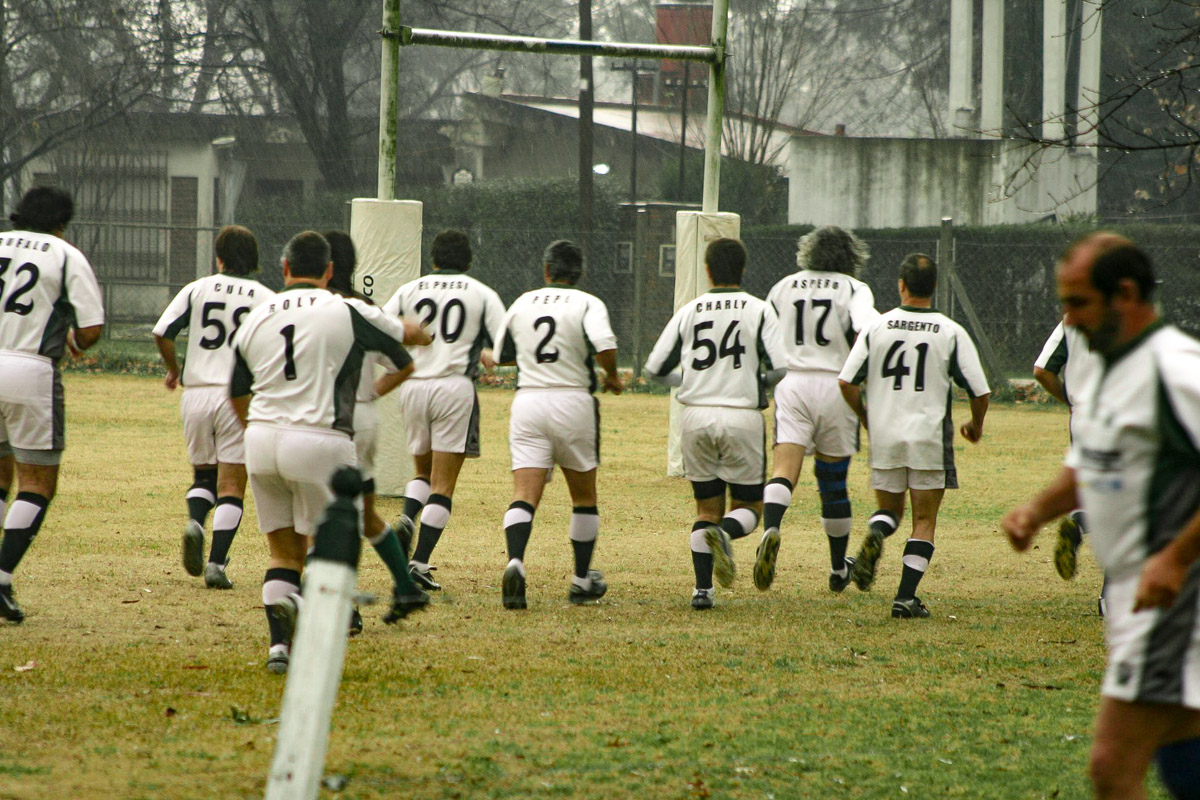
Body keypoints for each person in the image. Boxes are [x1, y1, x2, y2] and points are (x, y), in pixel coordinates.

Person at [1002, 233, 1200, 800]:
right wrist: (1036, 511)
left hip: (1173, 601)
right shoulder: (1112, 372)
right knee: (1186, 763)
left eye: (1079, 302)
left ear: (1127, 294)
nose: (1068, 316)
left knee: (1113, 768)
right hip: (1145, 601)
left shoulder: (1175, 370)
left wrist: (1175, 557)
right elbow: (1089, 467)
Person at [230, 231, 426, 673]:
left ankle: (279, 647)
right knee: (328, 543)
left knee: (282, 554)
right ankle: (313, 617)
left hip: (260, 440)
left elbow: (237, 390)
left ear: (283, 269)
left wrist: (254, 430)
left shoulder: (256, 313)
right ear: (330, 271)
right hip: (321, 438)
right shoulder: (347, 308)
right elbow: (403, 346)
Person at [837, 253, 989, 619]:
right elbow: (980, 391)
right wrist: (975, 425)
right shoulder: (950, 331)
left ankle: (874, 534)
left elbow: (846, 382)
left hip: (887, 434)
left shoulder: (878, 327)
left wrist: (867, 417)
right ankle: (905, 597)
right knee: (924, 521)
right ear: (934, 286)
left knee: (889, 510)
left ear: (901, 285)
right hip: (929, 439)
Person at [644, 237, 788, 610]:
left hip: (695, 417)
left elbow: (654, 369)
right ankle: (724, 535)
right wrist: (757, 383)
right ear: (742, 269)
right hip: (741, 416)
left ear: (707, 270)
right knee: (751, 507)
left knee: (705, 510)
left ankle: (703, 590)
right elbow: (781, 367)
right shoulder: (759, 310)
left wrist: (690, 382)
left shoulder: (690, 310)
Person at [492, 239, 622, 609]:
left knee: (524, 494)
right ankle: (581, 580)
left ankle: (515, 561)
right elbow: (605, 345)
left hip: (529, 402)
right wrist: (612, 375)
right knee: (583, 497)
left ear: (546, 270)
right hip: (572, 402)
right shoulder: (588, 303)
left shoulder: (523, 301)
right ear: (578, 274)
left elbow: (502, 355)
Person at [0, 186, 105, 623]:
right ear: (62, 222)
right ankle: (2, 577)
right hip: (30, 370)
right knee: (38, 482)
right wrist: (76, 341)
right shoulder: (63, 253)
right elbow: (92, 327)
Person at [381, 229, 505, 592]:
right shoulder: (482, 293)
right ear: (467, 261)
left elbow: (383, 327)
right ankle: (418, 562)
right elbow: (504, 345)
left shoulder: (410, 289)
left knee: (421, 471)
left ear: (432, 258)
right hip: (454, 388)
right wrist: (485, 355)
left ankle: (406, 517)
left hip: (414, 386)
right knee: (444, 484)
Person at [756, 225, 878, 594]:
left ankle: (772, 530)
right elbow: (869, 327)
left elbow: (766, 333)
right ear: (852, 256)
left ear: (807, 252)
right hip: (836, 384)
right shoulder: (853, 288)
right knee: (833, 483)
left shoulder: (783, 286)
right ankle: (839, 569)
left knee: (783, 470)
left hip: (792, 383)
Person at [153, 225, 274, 590]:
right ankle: (216, 564)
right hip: (237, 396)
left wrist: (175, 369)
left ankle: (194, 521)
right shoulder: (265, 297)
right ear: (253, 260)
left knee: (203, 476)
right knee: (233, 486)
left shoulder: (197, 288)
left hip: (196, 393)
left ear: (218, 258)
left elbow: (162, 332)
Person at [324, 230, 425, 631]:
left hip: (331, 422)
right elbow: (406, 356)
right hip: (362, 417)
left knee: (327, 518)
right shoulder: (363, 308)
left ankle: (343, 605)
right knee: (364, 514)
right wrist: (371, 390)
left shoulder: (316, 307)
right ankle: (406, 586)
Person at [1034, 316, 1107, 615]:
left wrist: (1070, 399)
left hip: (1083, 416)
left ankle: (1078, 524)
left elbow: (1042, 371)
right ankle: (1110, 601)